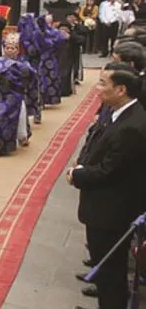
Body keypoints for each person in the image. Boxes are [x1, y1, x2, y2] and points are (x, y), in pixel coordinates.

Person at [67, 63, 146, 309]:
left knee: (111, 272)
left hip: (113, 211)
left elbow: (110, 171)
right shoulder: (119, 113)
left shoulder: (132, 126)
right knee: (106, 269)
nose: (97, 88)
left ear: (121, 89)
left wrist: (76, 175)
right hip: (105, 206)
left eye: (103, 83)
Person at [0, 33, 36, 156]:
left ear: (18, 50)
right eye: (8, 47)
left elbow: (31, 76)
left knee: (17, 118)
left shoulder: (23, 64)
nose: (10, 50)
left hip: (15, 94)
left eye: (13, 48)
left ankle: (22, 138)